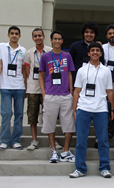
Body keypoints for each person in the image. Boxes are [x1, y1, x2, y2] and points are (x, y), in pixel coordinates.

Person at [69, 42, 114, 178]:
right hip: (83, 108)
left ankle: (105, 167)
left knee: (103, 140)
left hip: (101, 109)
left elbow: (109, 91)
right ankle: (80, 168)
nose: (95, 52)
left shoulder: (106, 71)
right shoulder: (82, 70)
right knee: (81, 141)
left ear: (101, 53)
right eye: (92, 50)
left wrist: (111, 108)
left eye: (97, 50)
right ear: (88, 53)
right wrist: (75, 108)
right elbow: (77, 91)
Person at [39, 30, 75, 163]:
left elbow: (70, 74)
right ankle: (54, 151)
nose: (57, 41)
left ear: (62, 41)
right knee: (50, 124)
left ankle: (65, 151)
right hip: (51, 95)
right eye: (55, 39)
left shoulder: (67, 56)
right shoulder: (45, 57)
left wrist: (70, 92)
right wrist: (44, 93)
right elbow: (41, 75)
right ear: (51, 40)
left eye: (60, 39)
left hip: (65, 95)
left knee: (69, 124)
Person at [24, 28, 63, 151]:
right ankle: (34, 140)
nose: (38, 38)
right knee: (32, 116)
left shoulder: (51, 51)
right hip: (33, 89)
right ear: (32, 38)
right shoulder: (29, 53)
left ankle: (53, 141)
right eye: (35, 36)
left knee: (50, 116)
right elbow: (26, 71)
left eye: (39, 35)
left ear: (44, 37)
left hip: (49, 89)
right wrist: (26, 87)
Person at [70, 21, 104, 148]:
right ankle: (79, 137)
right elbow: (70, 65)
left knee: (97, 110)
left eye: (92, 32)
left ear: (95, 34)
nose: (89, 34)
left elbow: (103, 63)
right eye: (87, 32)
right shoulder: (75, 46)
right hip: (80, 83)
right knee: (80, 111)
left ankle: (97, 138)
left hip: (96, 84)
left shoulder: (99, 48)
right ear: (83, 34)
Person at [0, 26, 26, 151]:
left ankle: (16, 140)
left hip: (19, 87)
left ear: (19, 36)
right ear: (8, 35)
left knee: (19, 115)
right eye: (12, 33)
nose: (14, 35)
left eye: (16, 33)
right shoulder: (2, 46)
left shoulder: (22, 50)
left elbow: (23, 69)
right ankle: (5, 140)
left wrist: (25, 86)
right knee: (6, 113)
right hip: (5, 86)